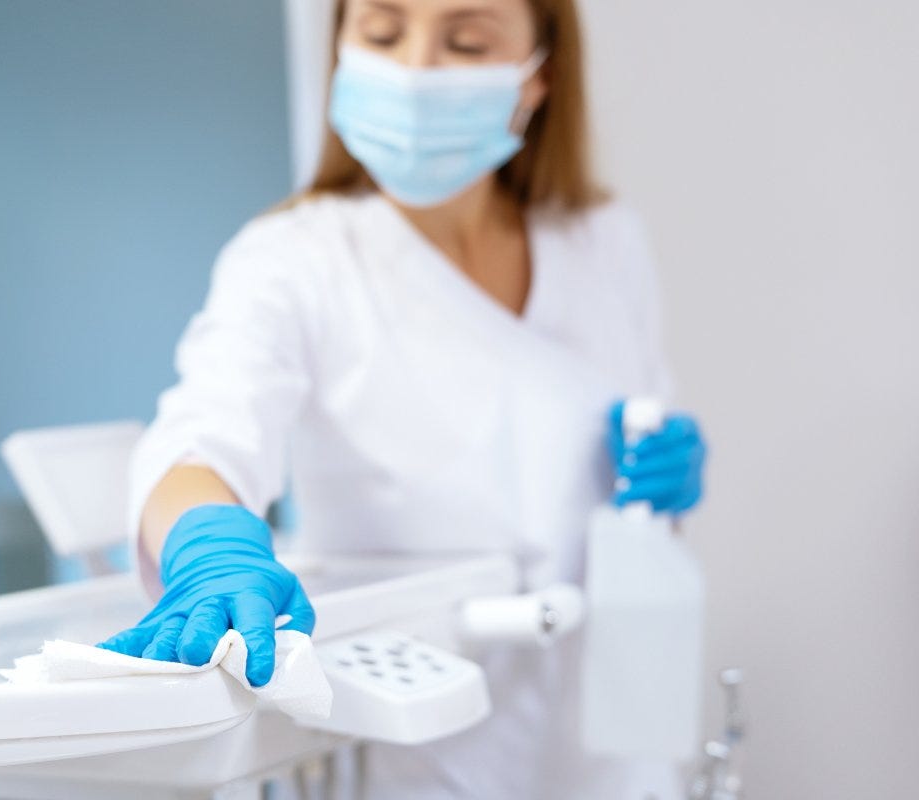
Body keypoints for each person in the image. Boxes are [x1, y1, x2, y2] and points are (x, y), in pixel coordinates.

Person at [99, 0, 707, 796]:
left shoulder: (599, 239)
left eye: (465, 40)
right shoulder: (296, 258)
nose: (416, 69)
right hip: (416, 744)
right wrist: (209, 542)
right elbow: (201, 437)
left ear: (538, 75)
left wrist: (671, 477)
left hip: (606, 734)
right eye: (382, 33)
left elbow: (645, 433)